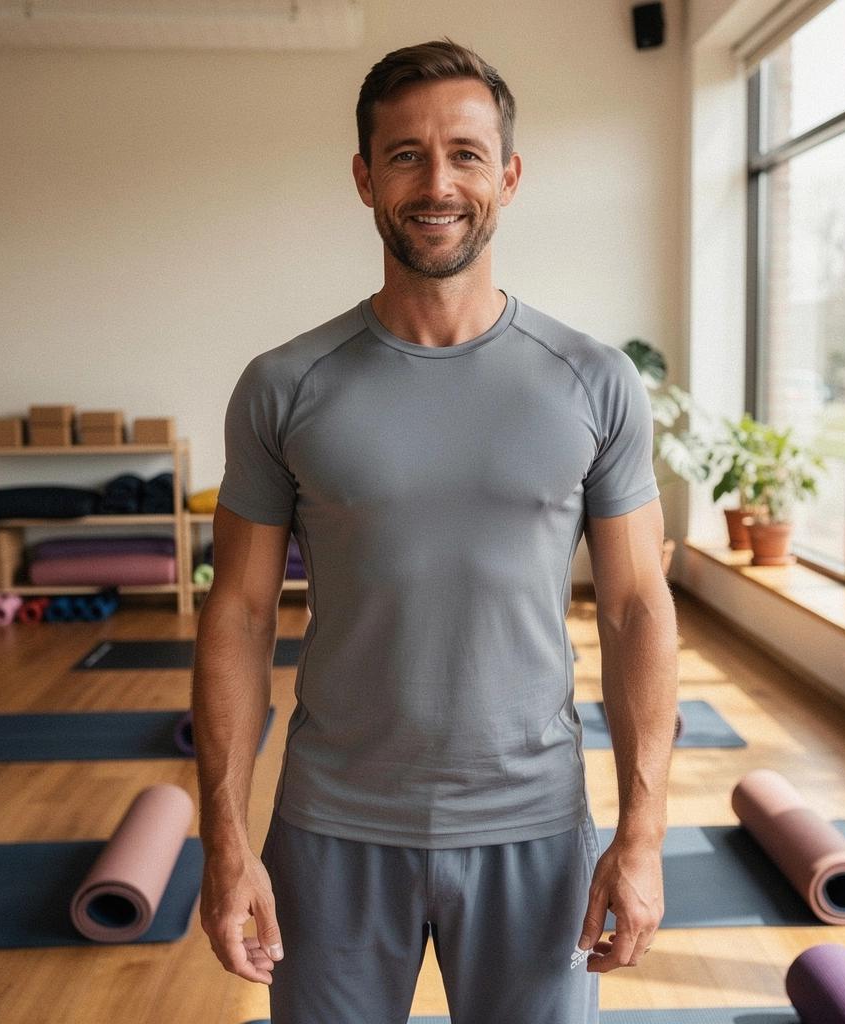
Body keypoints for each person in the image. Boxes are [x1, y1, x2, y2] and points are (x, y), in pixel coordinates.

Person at [192, 37, 679, 1024]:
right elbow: (237, 613)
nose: (437, 180)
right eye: (405, 153)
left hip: (537, 834)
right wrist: (225, 839)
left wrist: (641, 833)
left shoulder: (592, 380)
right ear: (365, 177)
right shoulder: (284, 385)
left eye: (464, 151)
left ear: (507, 174)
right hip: (329, 831)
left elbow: (635, 606)